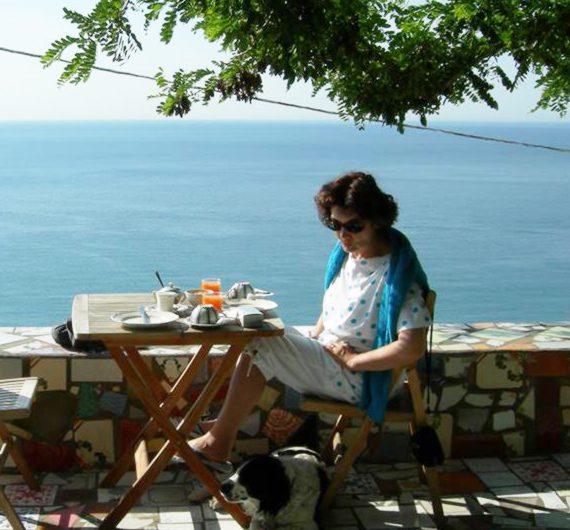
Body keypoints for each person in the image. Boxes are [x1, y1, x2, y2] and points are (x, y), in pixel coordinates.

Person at [190, 171, 432, 467]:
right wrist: (313, 341)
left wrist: (354, 361)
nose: (343, 234)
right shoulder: (349, 257)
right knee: (260, 328)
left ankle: (218, 441)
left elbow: (412, 348)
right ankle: (219, 428)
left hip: (362, 378)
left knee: (260, 343)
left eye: (354, 226)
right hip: (333, 358)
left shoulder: (396, 279)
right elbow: (334, 312)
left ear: (378, 220)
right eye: (335, 225)